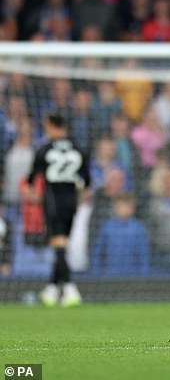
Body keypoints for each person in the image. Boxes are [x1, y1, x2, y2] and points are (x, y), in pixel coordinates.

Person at [27, 114, 90, 307]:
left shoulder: (44, 150)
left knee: (58, 245)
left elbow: (31, 179)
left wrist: (35, 195)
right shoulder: (79, 149)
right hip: (71, 202)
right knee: (61, 246)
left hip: (52, 201)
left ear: (55, 127)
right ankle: (52, 289)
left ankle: (70, 288)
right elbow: (87, 182)